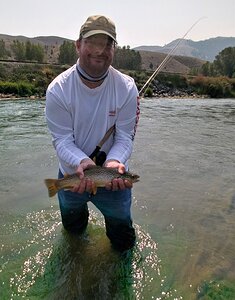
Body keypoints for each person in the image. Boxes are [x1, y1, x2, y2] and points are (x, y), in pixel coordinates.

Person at [45, 15, 140, 252]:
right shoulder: (58, 90)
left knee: (123, 241)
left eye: (107, 44)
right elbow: (62, 140)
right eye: (93, 42)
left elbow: (124, 137)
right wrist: (82, 162)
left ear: (114, 50)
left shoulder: (127, 88)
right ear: (78, 45)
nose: (100, 50)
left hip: (111, 179)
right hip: (71, 176)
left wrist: (115, 161)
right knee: (73, 234)